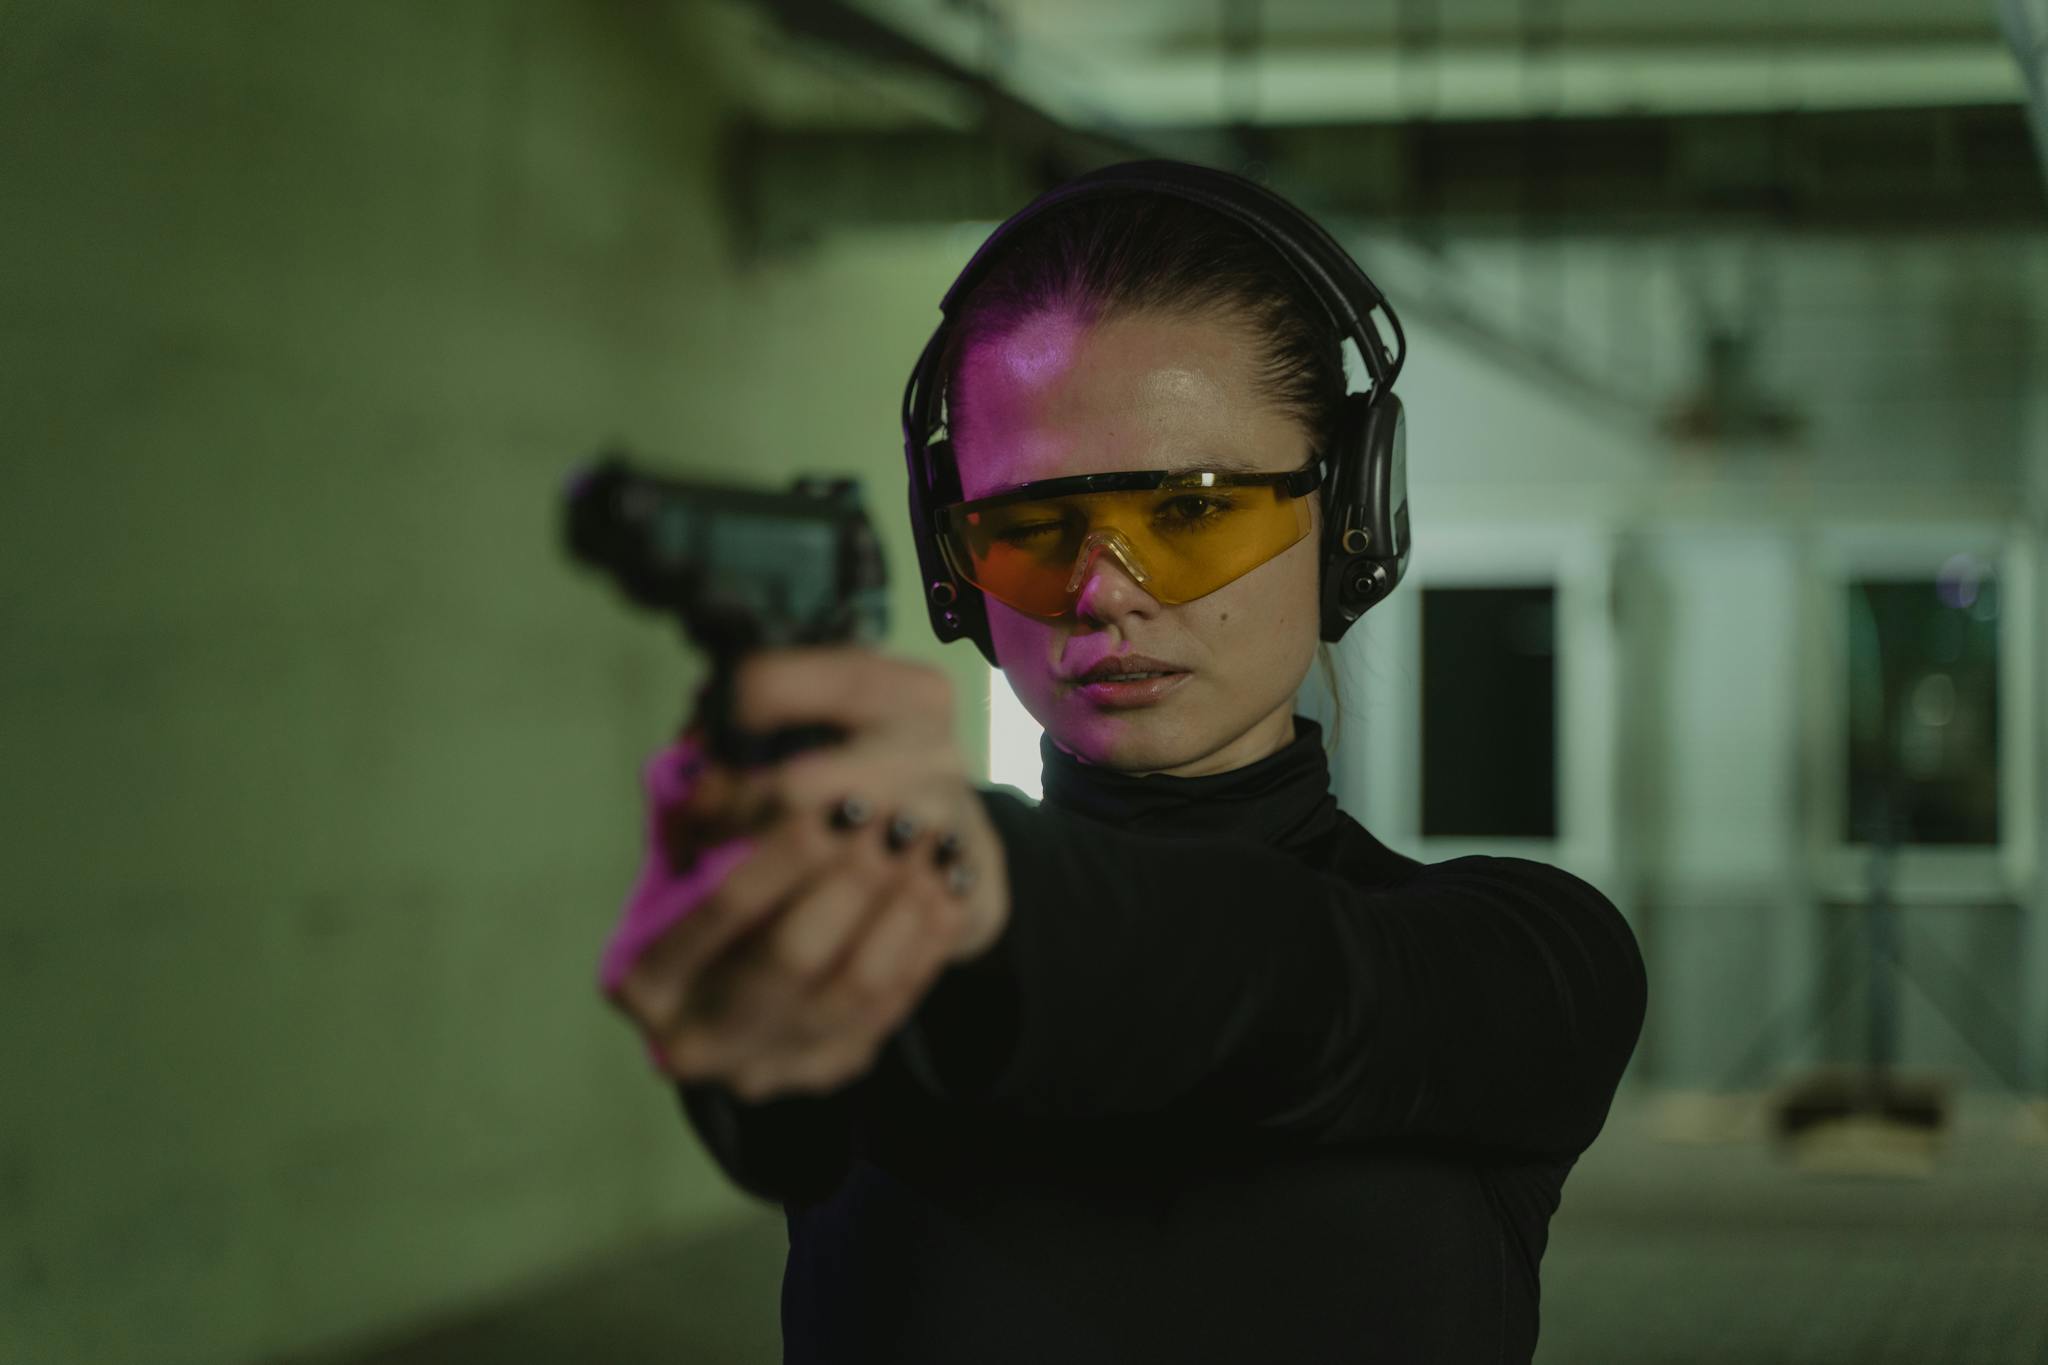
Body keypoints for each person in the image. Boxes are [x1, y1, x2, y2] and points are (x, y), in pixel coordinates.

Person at [604, 161, 1648, 1364]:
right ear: (954, 565)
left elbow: (1280, 990)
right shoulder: (901, 937)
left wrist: (963, 880)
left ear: (1351, 514)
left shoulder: (1530, 960)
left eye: (1194, 510)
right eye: (1030, 530)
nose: (1101, 594)